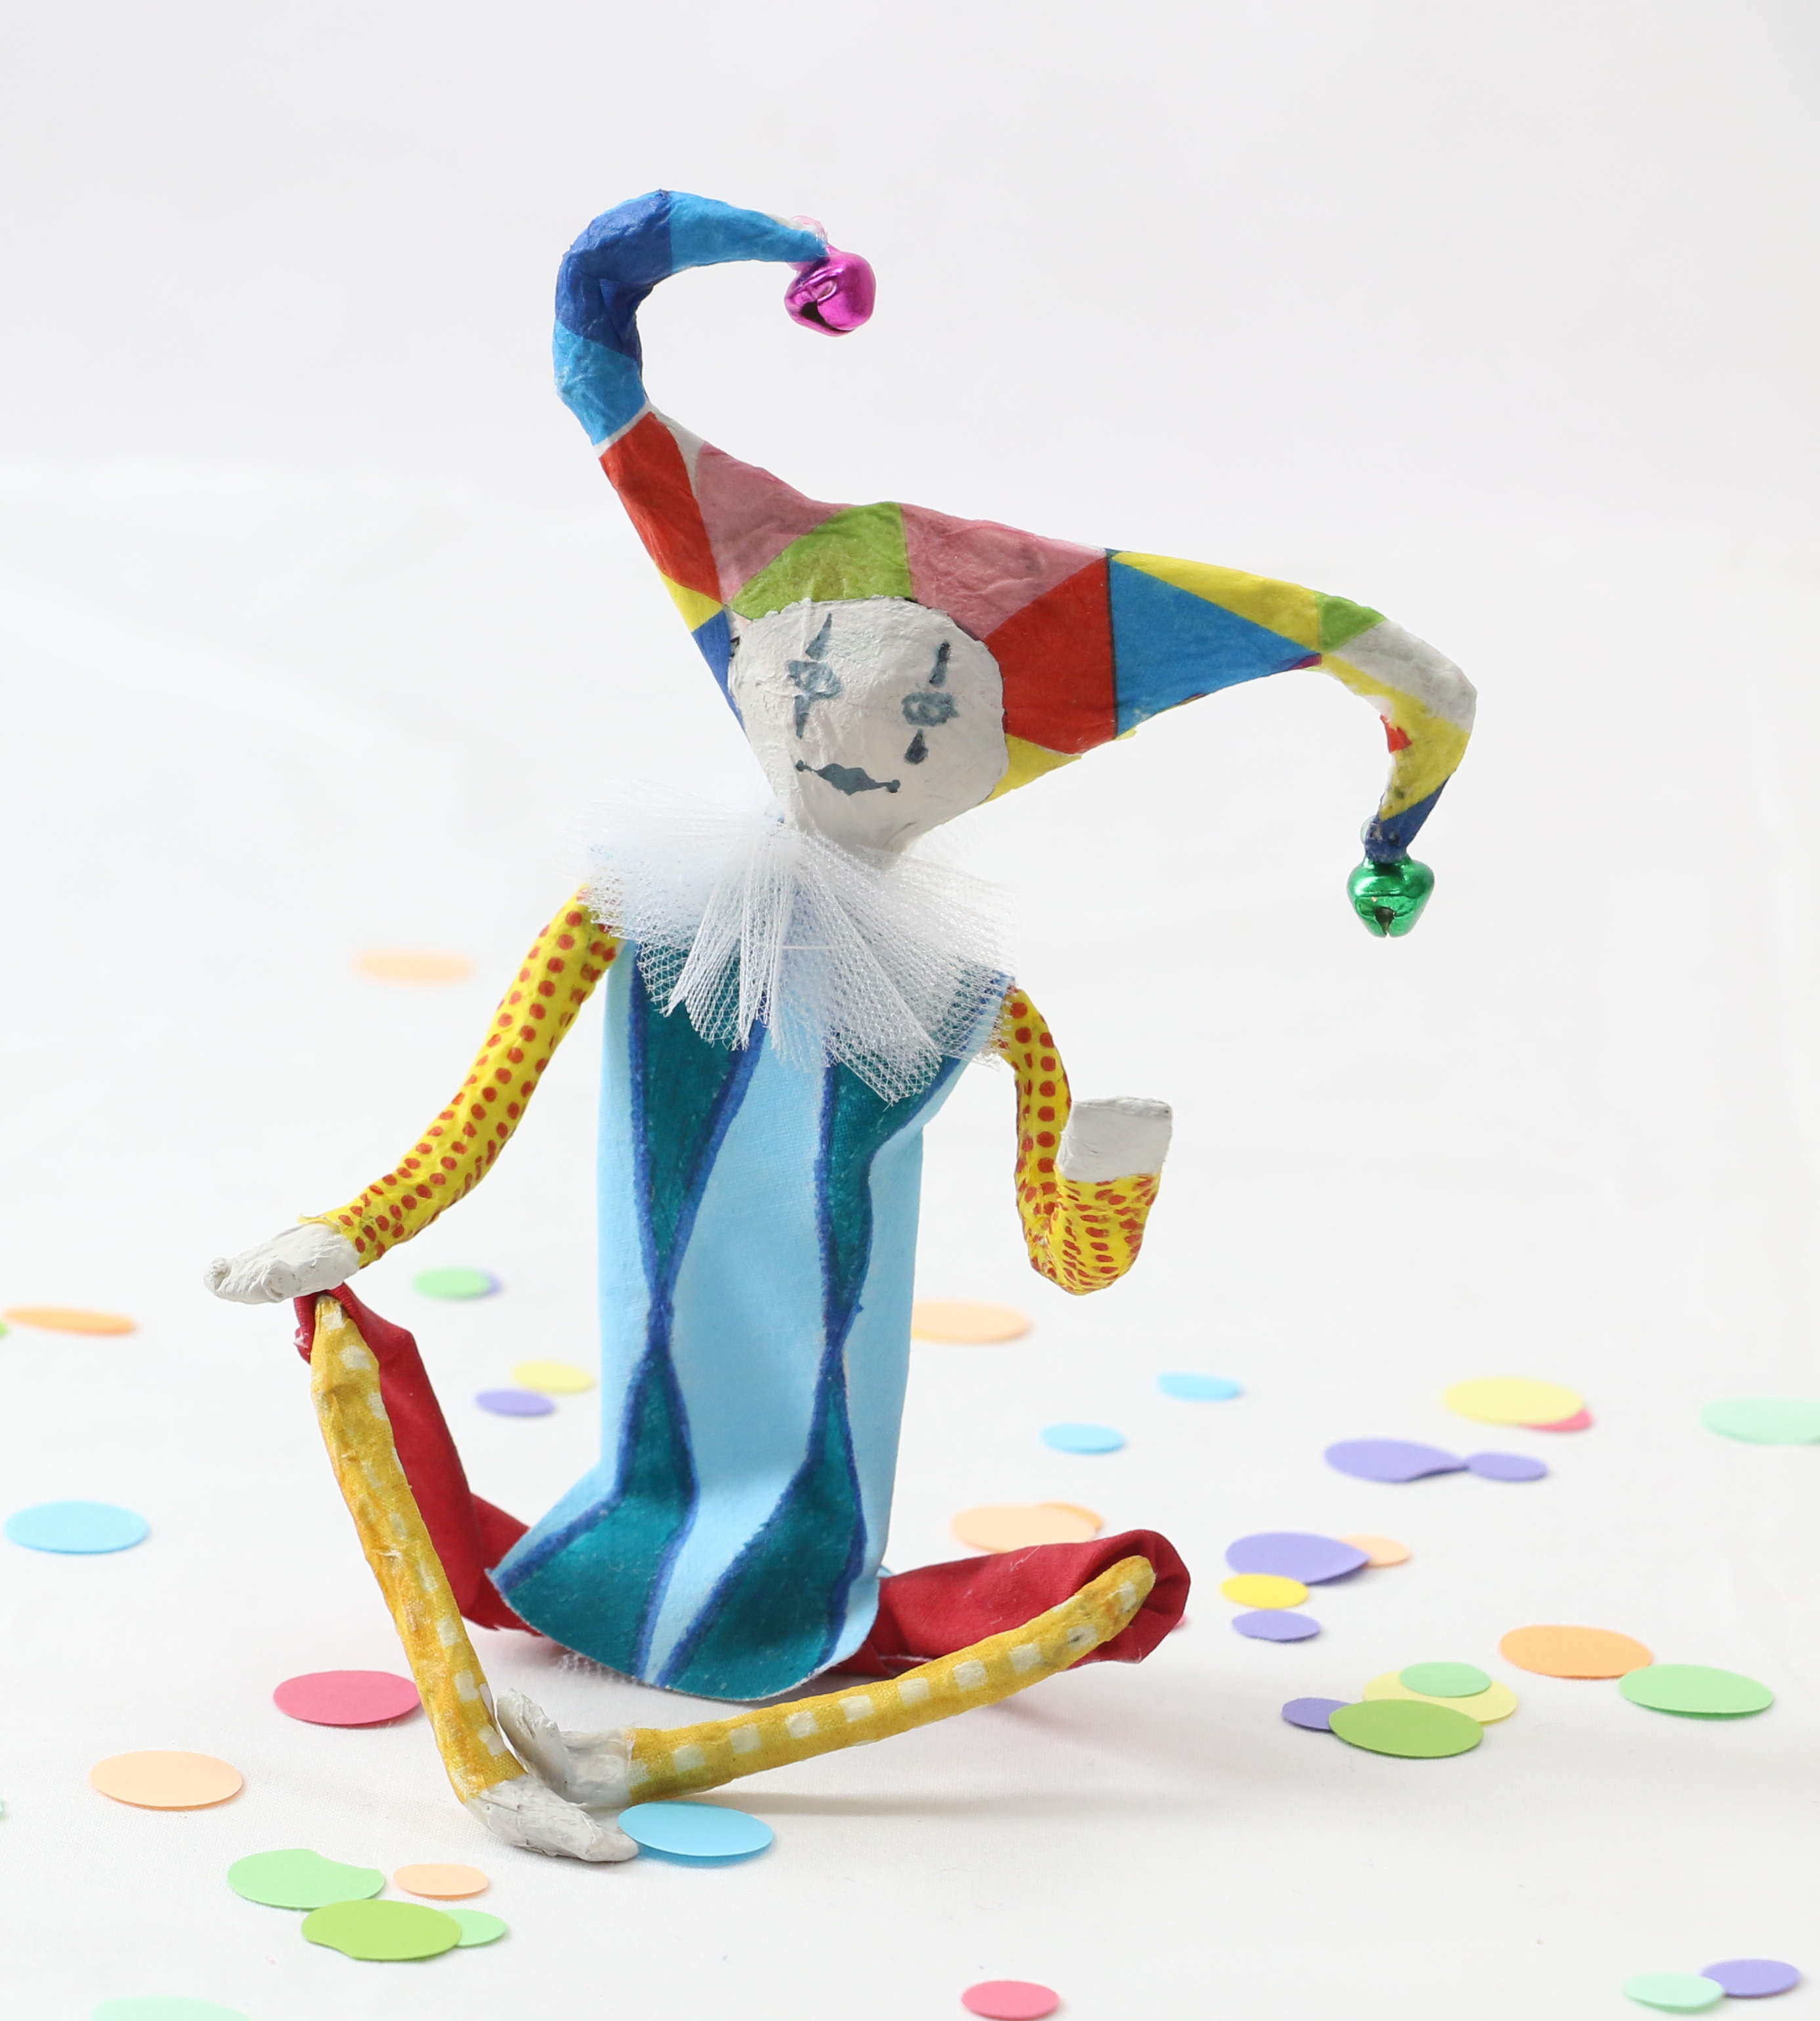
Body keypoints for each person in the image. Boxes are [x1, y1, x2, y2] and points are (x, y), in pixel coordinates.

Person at [203, 190, 1475, 1861]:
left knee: (1061, 1566)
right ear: (757, 682)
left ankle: (663, 1753)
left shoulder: (960, 1000)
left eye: (931, 720)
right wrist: (353, 1228)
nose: (862, 742)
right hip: (612, 1521)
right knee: (384, 1367)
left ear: (997, 757)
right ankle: (556, 1685)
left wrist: (1112, 1177)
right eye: (815, 694)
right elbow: (481, 1112)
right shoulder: (639, 915)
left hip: (826, 1563)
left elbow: (1072, 1259)